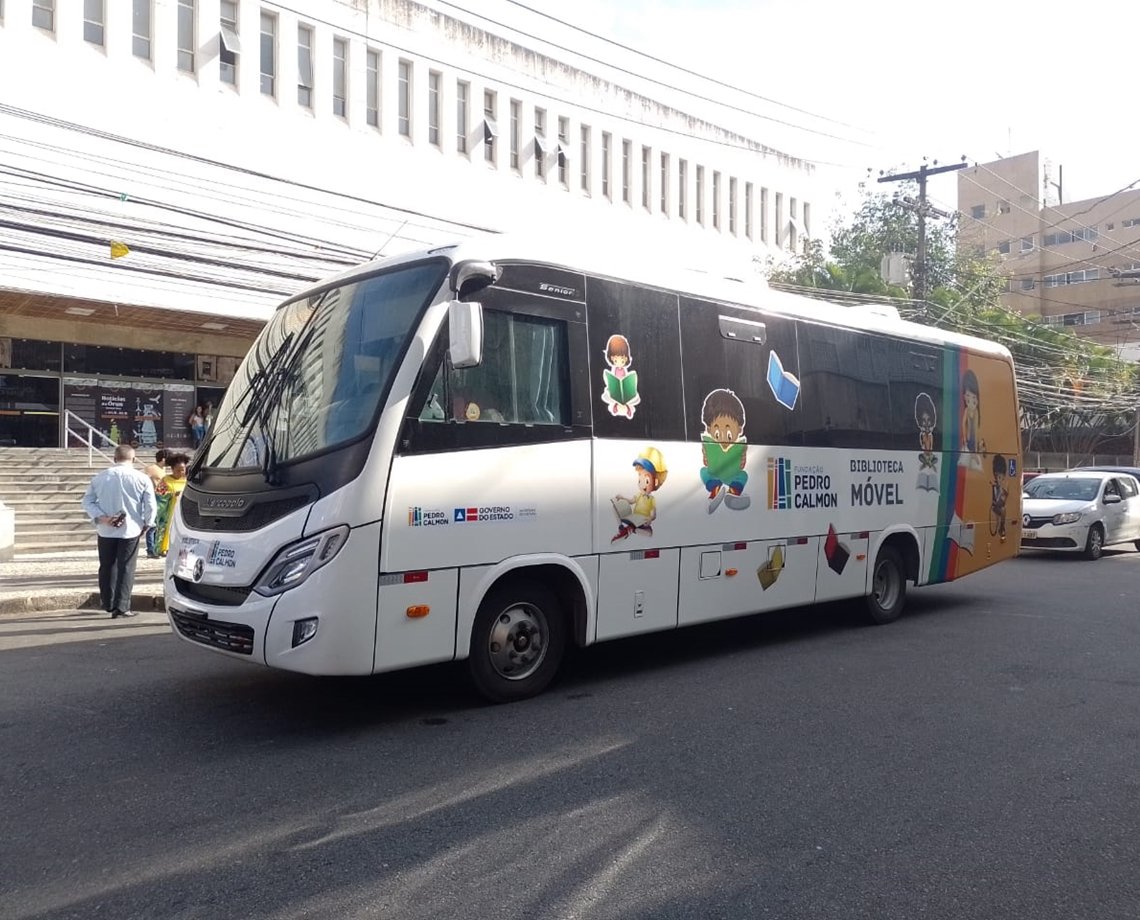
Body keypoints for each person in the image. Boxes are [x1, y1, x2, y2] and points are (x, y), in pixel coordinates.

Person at [81, 444, 157, 619]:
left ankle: (107, 602)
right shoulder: (142, 478)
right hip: (131, 528)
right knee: (126, 567)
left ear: (115, 458)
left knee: (107, 565)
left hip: (105, 528)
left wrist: (101, 517)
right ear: (133, 459)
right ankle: (122, 606)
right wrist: (148, 523)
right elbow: (150, 505)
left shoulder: (100, 477)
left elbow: (87, 501)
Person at [143, 449, 169, 559]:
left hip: (163, 500)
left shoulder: (162, 470)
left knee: (161, 525)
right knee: (153, 526)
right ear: (163, 459)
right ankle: (151, 549)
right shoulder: (151, 469)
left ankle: (158, 548)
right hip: (154, 499)